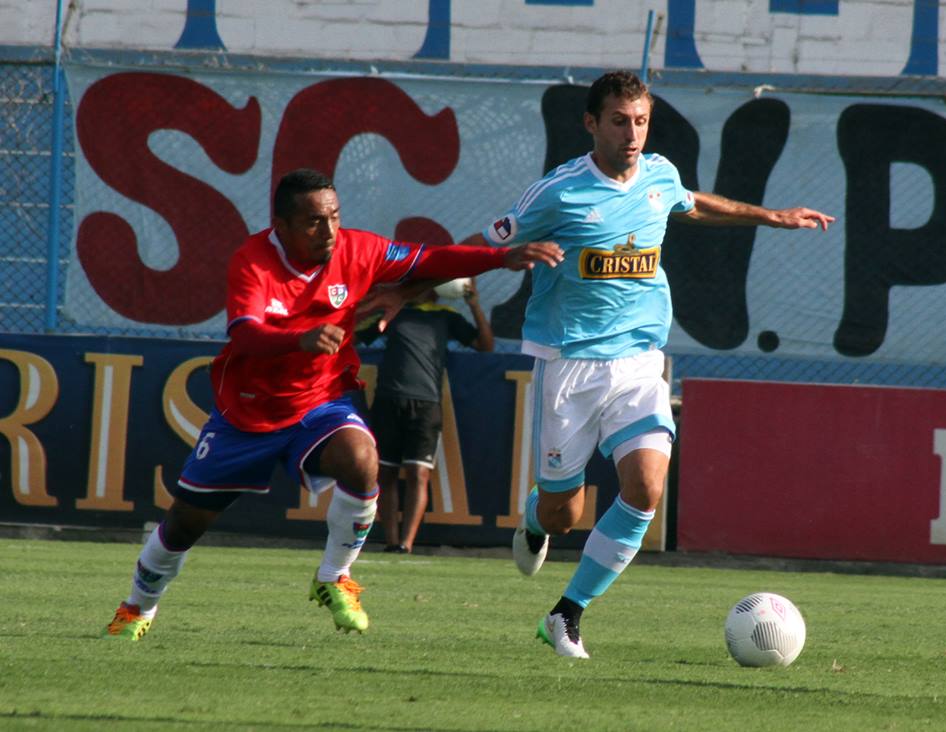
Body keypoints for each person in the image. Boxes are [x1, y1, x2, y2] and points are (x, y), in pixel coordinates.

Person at [372, 70, 834, 658]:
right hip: (569, 366)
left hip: (640, 362)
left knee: (645, 488)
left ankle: (567, 614)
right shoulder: (558, 193)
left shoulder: (659, 175)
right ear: (592, 124)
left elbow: (691, 205)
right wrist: (407, 292)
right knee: (565, 514)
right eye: (619, 120)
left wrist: (772, 216)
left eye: (640, 120)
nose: (632, 132)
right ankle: (537, 522)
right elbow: (480, 247)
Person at [102, 168, 563, 641]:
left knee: (362, 460)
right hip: (248, 412)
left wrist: (500, 256)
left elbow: (431, 258)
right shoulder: (254, 261)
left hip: (322, 398)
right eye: (313, 222)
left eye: (334, 218)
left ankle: (334, 576)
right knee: (183, 525)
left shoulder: (357, 249)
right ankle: (137, 608)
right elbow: (243, 332)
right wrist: (299, 338)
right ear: (280, 226)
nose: (328, 231)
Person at [359, 279, 493, 554]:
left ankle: (406, 544)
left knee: (419, 473)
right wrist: (370, 301)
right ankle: (391, 541)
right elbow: (354, 335)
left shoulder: (446, 316)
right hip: (388, 399)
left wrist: (474, 304)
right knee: (386, 473)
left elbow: (485, 344)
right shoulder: (395, 310)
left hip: (426, 404)